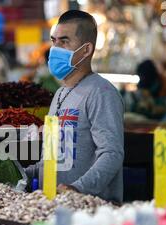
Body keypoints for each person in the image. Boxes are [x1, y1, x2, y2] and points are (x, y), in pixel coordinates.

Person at [25, 10, 125, 203]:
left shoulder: (101, 92)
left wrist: (77, 189)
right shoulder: (60, 94)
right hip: (55, 206)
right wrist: (22, 174)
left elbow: (111, 153)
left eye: (64, 41)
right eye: (54, 41)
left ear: (86, 50)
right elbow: (53, 157)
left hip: (91, 210)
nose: (55, 48)